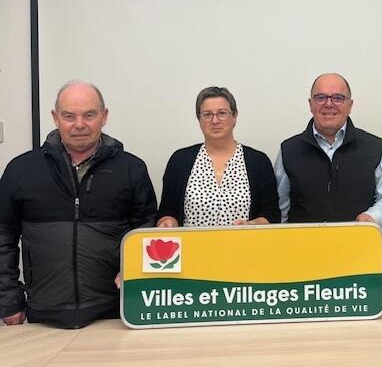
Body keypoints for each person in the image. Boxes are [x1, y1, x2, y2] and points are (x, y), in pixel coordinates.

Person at [0, 81, 157, 328]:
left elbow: (146, 232)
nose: (80, 124)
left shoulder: (131, 169)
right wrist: (9, 301)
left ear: (104, 116)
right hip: (44, 315)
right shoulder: (21, 170)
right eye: (69, 116)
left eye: (89, 115)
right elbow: (3, 238)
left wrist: (134, 271)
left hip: (116, 314)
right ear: (55, 118)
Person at [274, 73, 382, 230]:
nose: (329, 104)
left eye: (338, 98)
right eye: (321, 97)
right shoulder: (289, 150)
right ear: (311, 104)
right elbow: (279, 208)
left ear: (350, 105)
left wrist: (372, 217)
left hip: (358, 242)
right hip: (304, 244)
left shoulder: (375, 148)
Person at [157, 86, 279, 228]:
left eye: (222, 113)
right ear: (199, 119)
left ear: (234, 116)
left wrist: (250, 224)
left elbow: (272, 215)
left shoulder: (258, 162)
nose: (215, 120)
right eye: (207, 114)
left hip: (244, 241)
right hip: (193, 242)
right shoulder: (179, 161)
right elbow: (166, 210)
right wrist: (168, 221)